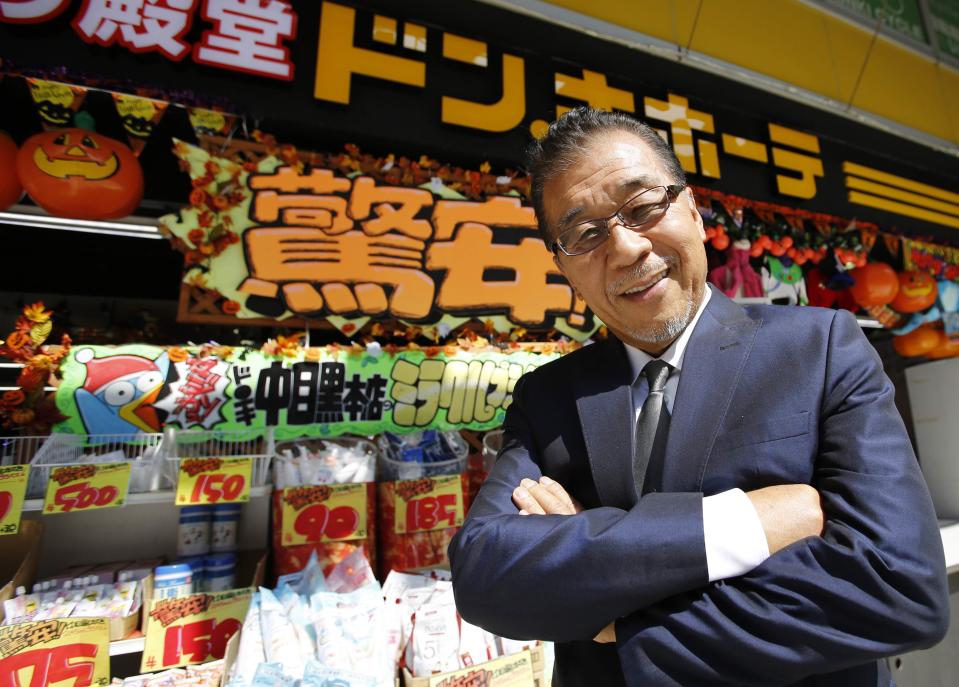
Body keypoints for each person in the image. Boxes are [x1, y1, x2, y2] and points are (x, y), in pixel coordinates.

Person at [447, 107, 949, 686]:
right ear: (562, 265)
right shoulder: (548, 398)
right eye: (584, 233)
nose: (627, 248)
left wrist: (618, 611)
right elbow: (487, 575)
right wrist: (742, 525)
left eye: (644, 208)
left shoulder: (821, 348)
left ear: (690, 206)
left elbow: (899, 588)